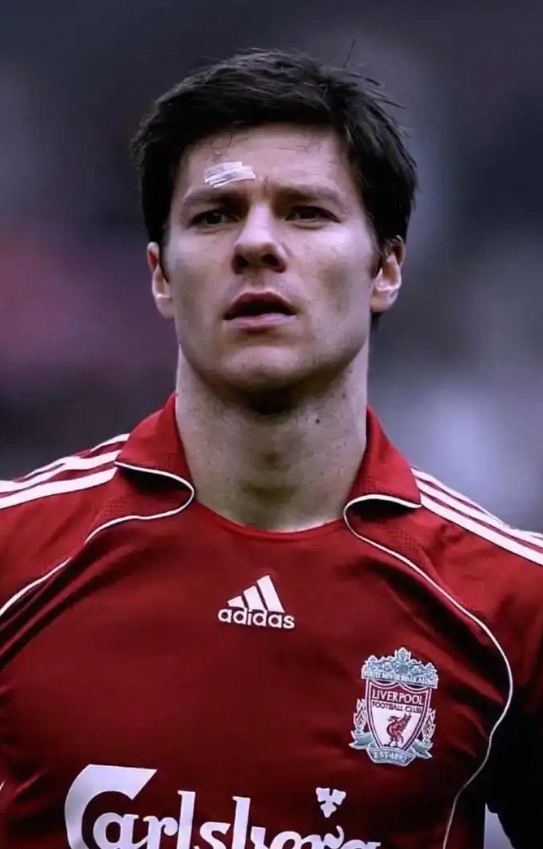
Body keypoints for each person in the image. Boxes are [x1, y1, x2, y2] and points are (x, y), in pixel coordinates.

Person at [0, 48, 541, 849]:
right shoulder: (15, 555)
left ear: (386, 267)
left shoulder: (513, 605)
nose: (256, 242)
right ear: (159, 274)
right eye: (214, 216)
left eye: (305, 212)